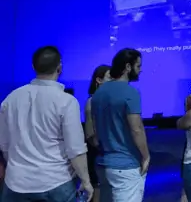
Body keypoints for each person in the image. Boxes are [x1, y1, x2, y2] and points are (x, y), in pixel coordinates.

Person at [0, 46, 93, 201]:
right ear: (60, 68)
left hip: (15, 184)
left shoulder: (11, 99)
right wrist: (86, 181)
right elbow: (75, 149)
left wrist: (19, 169)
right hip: (55, 183)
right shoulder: (67, 101)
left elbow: (4, 145)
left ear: (33, 67)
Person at [92, 48, 149, 202]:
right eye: (138, 66)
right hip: (126, 165)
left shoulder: (98, 94)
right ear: (128, 67)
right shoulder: (130, 93)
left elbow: (96, 133)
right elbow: (136, 129)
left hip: (103, 164)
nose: (141, 70)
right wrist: (146, 156)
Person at [86, 65, 112, 202]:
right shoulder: (92, 102)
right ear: (99, 80)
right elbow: (91, 136)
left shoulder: (114, 101)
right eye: (110, 77)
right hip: (99, 156)